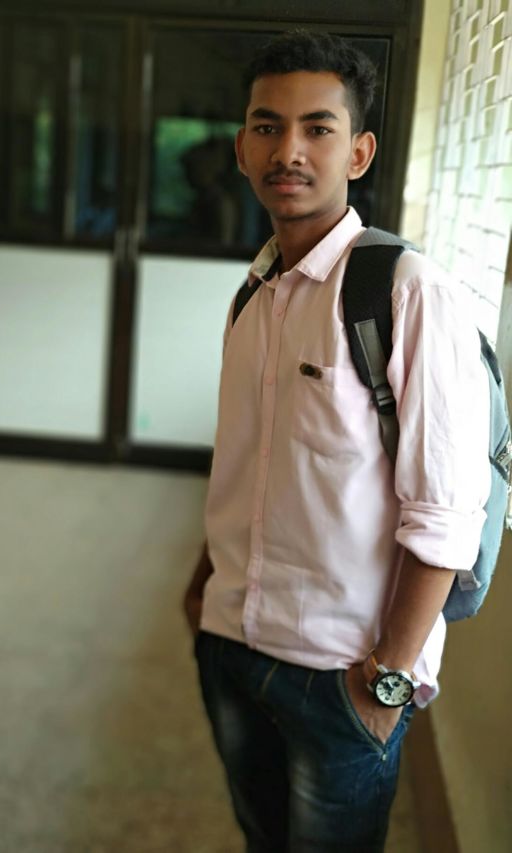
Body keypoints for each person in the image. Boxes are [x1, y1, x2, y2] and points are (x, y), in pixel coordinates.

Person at [182, 29, 490, 853]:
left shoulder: (405, 290)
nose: (288, 150)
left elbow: (446, 511)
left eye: (317, 128)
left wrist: (387, 678)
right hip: (231, 642)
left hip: (341, 670)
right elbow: (248, 462)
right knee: (262, 836)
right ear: (242, 148)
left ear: (359, 152)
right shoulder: (253, 291)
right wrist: (204, 584)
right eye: (267, 126)